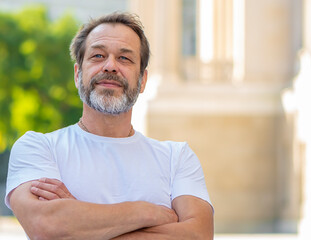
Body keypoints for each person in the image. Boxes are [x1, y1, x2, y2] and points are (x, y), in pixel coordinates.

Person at [5, 12, 214, 239]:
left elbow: (198, 235)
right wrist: (147, 212)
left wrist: (79, 219)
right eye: (97, 55)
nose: (110, 66)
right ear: (78, 74)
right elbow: (46, 226)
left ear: (142, 80)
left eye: (124, 58)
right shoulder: (38, 147)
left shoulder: (177, 157)